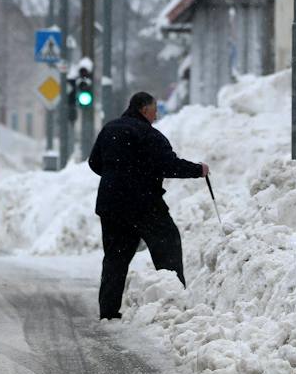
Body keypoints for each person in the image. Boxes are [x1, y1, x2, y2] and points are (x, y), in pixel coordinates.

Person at [86, 91, 208, 321]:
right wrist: (197, 170)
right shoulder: (149, 135)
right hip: (144, 204)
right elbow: (168, 165)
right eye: (154, 109)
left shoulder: (110, 129)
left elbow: (94, 162)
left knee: (115, 257)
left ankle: (108, 312)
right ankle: (174, 304)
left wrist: (116, 177)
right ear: (144, 109)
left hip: (111, 205)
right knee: (168, 246)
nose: (156, 114)